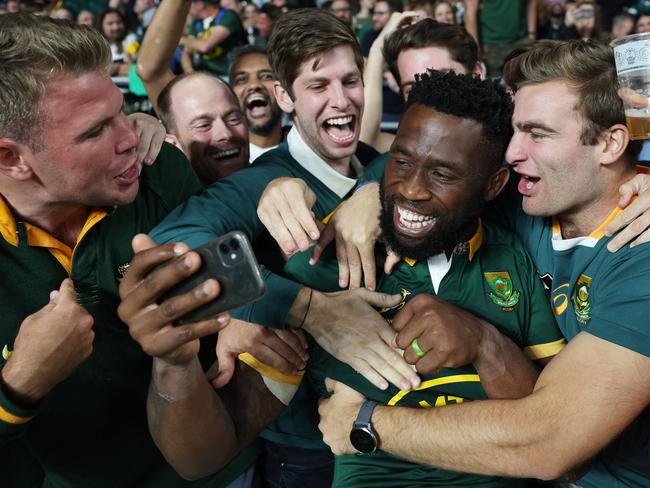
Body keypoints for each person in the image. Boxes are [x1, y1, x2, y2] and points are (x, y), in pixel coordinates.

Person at [317, 40, 650, 488]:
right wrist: (364, 196)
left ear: (610, 143)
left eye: (538, 133)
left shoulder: (642, 256)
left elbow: (547, 444)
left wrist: (367, 425)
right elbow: (435, 165)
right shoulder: (530, 198)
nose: (512, 153)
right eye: (515, 131)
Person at [120, 8, 420, 487]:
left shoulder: (378, 166)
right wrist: (306, 308)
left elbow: (408, 154)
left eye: (349, 81)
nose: (340, 100)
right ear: (285, 97)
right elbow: (171, 246)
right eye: (318, 86)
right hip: (310, 451)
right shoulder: (261, 181)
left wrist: (374, 190)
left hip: (408, 435)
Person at [286, 69, 566, 487]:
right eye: (401, 161)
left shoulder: (513, 259)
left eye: (443, 173)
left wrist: (483, 342)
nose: (412, 189)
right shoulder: (323, 264)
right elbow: (212, 446)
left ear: (494, 185)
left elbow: (554, 426)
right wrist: (248, 314)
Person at [0, 12, 243, 488]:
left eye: (121, 110)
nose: (132, 137)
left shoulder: (158, 169)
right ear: (12, 158)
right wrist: (17, 388)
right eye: (95, 131)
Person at [137, 0, 281, 169]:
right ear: (230, 96)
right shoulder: (194, 171)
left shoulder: (302, 150)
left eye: (266, 76)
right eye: (241, 79)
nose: (254, 85)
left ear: (284, 90)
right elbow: (152, 71)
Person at [180, 0, 246, 77]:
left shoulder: (227, 16)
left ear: (200, 4)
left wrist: (180, 39)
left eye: (188, 4)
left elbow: (205, 46)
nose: (186, 9)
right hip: (209, 76)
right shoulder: (196, 23)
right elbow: (187, 52)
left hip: (231, 74)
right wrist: (190, 73)